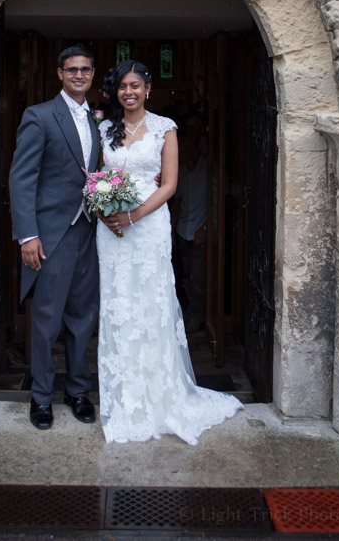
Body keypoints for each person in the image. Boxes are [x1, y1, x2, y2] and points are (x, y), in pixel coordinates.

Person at [96, 60, 243, 445]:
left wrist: (133, 215)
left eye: (136, 86)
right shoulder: (105, 129)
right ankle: (123, 391)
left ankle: (160, 393)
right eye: (123, 86)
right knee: (117, 303)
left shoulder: (165, 128)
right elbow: (96, 177)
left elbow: (171, 184)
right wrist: (103, 206)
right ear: (117, 92)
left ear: (148, 90)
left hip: (148, 225)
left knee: (150, 302)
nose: (129, 92)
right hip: (109, 229)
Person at [9, 46, 101, 431]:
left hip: (89, 231)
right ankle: (42, 397)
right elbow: (22, 178)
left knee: (83, 317)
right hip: (50, 234)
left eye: (85, 70)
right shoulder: (40, 116)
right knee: (47, 319)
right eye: (71, 70)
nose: (79, 75)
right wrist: (27, 235)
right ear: (60, 74)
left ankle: (78, 391)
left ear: (92, 74)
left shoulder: (98, 121)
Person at [171, 113, 209, 334]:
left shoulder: (209, 169)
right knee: (184, 275)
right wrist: (172, 229)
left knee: (198, 277)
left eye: (184, 152)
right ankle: (187, 313)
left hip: (199, 231)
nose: (182, 157)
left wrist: (205, 229)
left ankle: (197, 316)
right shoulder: (182, 173)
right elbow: (177, 202)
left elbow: (217, 203)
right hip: (183, 230)